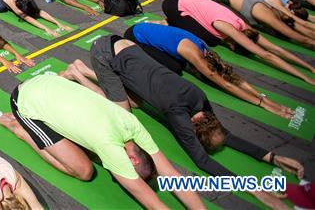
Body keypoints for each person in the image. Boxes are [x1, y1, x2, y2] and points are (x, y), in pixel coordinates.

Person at [60, 37, 299, 209]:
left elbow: (225, 135)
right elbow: (202, 160)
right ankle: (78, 74)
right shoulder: (178, 115)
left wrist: (273, 157)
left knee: (137, 102)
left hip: (126, 48)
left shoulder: (199, 98)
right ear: (193, 130)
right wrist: (255, 190)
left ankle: (85, 70)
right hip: (105, 52)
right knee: (123, 113)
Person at [0, 73, 202, 209]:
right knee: (84, 170)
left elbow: (172, 175)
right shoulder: (109, 147)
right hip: (24, 99)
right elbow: (153, 204)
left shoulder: (132, 124)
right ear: (132, 161)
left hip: (49, 82)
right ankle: (23, 130)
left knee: (89, 150)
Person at [124, 22, 294, 118]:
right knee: (173, 70)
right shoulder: (196, 55)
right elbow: (227, 85)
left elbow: (231, 78)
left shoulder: (205, 50)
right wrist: (263, 105)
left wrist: (262, 97)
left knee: (179, 65)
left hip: (151, 32)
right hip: (134, 36)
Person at [161, 0, 315, 86]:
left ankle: (171, 21)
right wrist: (305, 77)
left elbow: (273, 50)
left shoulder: (243, 27)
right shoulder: (224, 27)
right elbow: (266, 54)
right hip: (173, 4)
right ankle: (167, 21)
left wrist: (309, 69)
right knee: (210, 39)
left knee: (212, 36)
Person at [202, 0, 315, 49]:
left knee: (295, 33)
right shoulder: (270, 7)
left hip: (249, 4)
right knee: (294, 29)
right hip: (248, 2)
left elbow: (302, 37)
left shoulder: (267, 10)